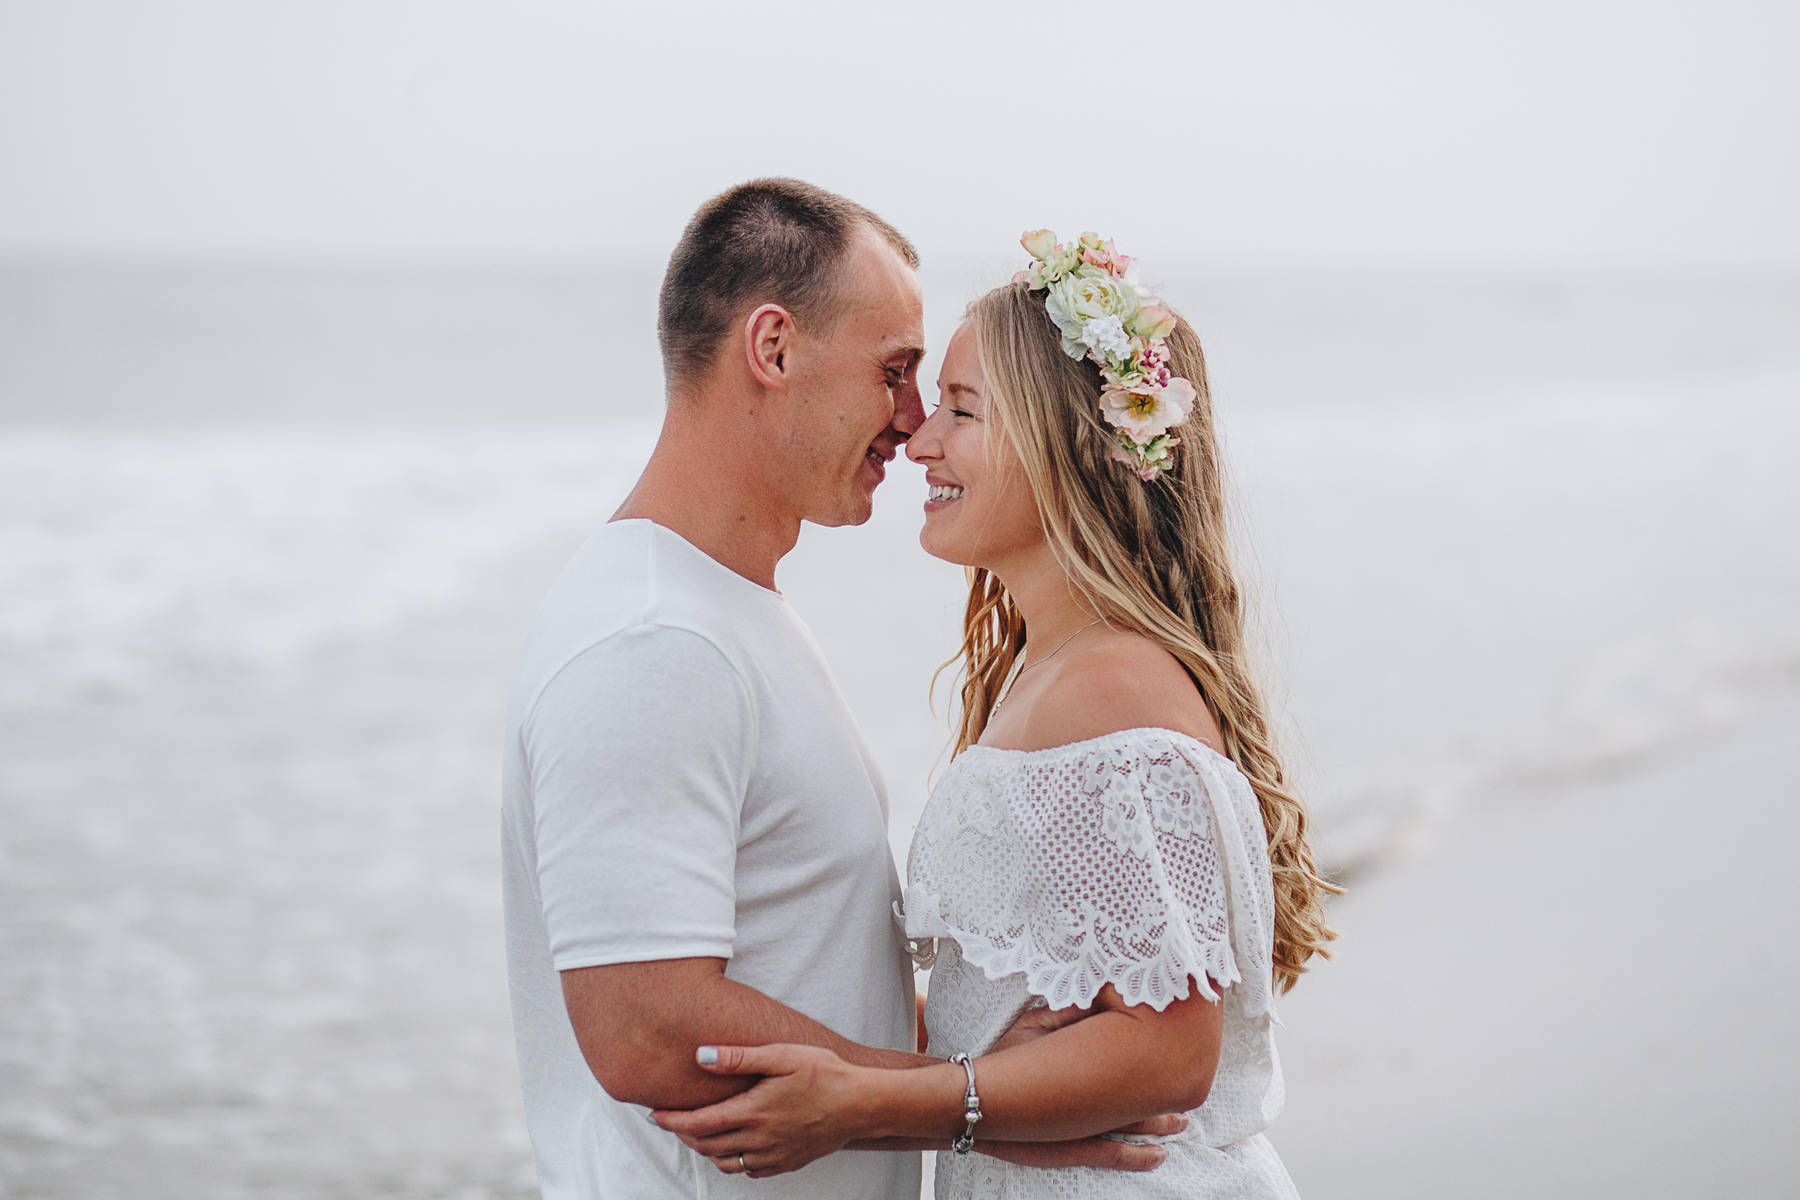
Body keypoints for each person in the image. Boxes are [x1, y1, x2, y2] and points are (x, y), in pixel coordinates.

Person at [499, 188, 1181, 1199]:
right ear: (772, 349)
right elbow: (646, 1025)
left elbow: (785, 949)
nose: (912, 426)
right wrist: (968, 1103)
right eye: (895, 372)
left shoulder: (730, 611)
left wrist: (973, 1051)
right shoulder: (652, 641)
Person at [650, 231, 1340, 1197]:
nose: (918, 439)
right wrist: (974, 1058)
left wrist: (876, 1105)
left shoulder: (1109, 689)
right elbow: (1043, 992)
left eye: (962, 410)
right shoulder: (1057, 673)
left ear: (1066, 447)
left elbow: (1170, 1055)